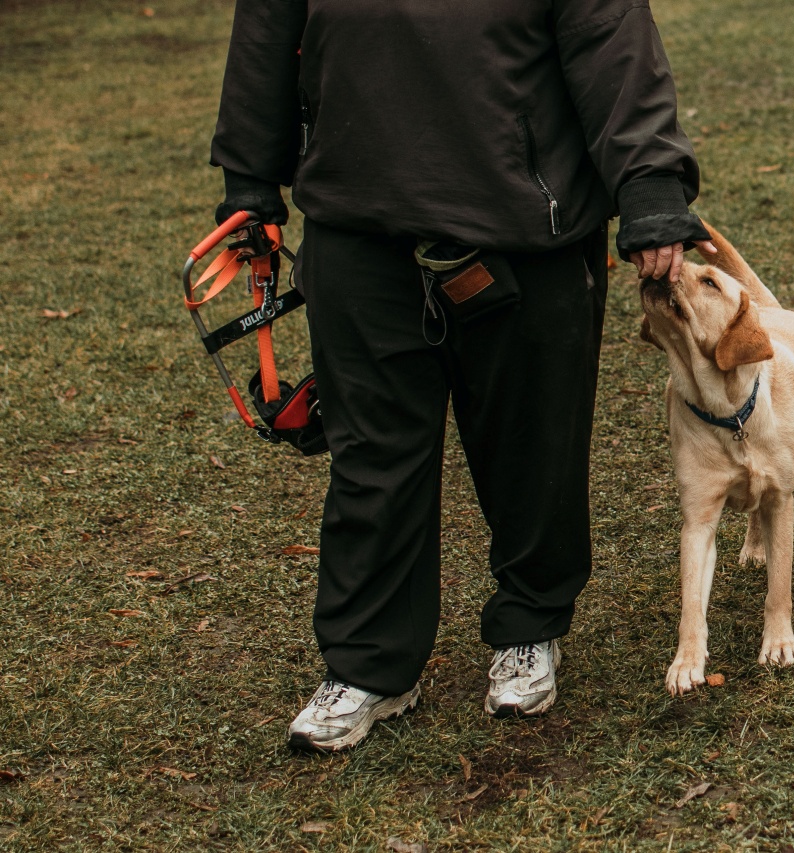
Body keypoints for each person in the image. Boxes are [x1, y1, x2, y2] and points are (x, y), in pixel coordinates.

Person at [210, 0, 714, 752]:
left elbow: (612, 41)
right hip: (357, 223)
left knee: (532, 444)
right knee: (373, 458)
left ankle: (531, 628)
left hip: (524, 230)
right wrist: (251, 181)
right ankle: (371, 665)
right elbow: (266, 29)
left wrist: (650, 187)